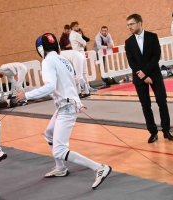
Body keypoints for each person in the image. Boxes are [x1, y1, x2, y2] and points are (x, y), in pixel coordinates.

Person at [16, 33, 112, 189]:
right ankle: (60, 168)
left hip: (67, 107)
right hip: (67, 104)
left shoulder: (47, 61)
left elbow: (50, 87)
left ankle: (99, 168)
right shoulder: (63, 59)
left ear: (40, 49)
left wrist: (25, 95)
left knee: (60, 150)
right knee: (49, 133)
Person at [125, 14, 173, 143]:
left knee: (161, 101)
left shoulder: (152, 37)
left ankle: (166, 130)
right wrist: (142, 75)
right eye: (128, 25)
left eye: (131, 24)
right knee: (145, 105)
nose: (129, 27)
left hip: (154, 74)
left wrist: (146, 73)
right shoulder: (128, 42)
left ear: (140, 23)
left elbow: (156, 56)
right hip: (139, 77)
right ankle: (153, 132)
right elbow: (131, 62)